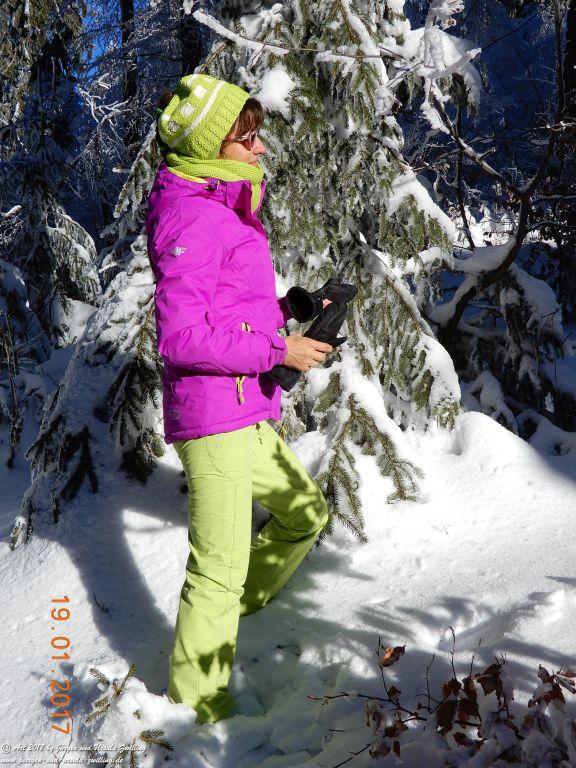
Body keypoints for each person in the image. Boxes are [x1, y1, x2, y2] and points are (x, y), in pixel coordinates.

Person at [145, 73, 334, 724]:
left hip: (243, 407)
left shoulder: (221, 207)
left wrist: (289, 310)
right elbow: (181, 337)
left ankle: (240, 609)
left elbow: (227, 314)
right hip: (212, 416)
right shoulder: (190, 216)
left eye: (257, 135)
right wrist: (280, 351)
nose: (260, 148)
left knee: (303, 512)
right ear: (210, 147)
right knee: (216, 568)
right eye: (246, 137)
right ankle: (198, 713)